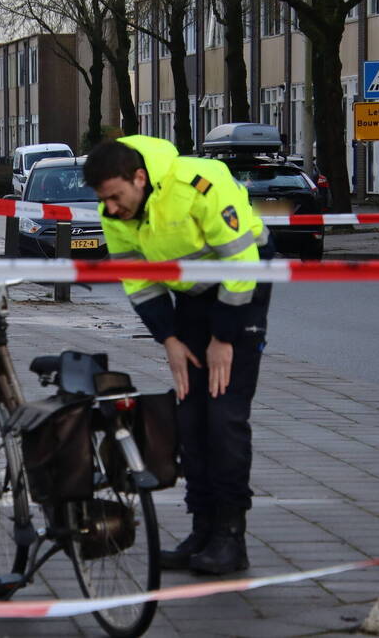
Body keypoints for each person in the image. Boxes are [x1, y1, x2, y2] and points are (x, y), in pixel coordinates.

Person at [82, 136, 273, 576]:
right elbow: (139, 282)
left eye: (116, 197)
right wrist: (169, 339)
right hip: (191, 298)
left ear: (140, 178)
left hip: (243, 285)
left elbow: (242, 261)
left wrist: (224, 337)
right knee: (190, 414)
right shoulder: (113, 213)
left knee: (224, 415)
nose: (110, 209)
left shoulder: (200, 183)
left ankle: (230, 537)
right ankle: (201, 529)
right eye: (102, 200)